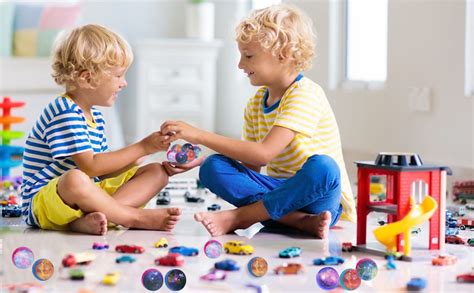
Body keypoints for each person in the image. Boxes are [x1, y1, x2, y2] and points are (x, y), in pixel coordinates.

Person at [160, 4, 356, 239]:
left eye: (249, 56)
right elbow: (251, 166)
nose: (241, 65)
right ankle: (298, 222)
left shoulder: (306, 94)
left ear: (283, 54)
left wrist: (199, 134)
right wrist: (199, 160)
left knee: (324, 168)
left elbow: (263, 154)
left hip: (318, 198)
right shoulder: (255, 104)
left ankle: (241, 217)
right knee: (213, 166)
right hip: (276, 192)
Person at [20, 24, 186, 235]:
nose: (124, 83)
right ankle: (130, 217)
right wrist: (142, 147)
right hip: (44, 202)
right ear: (87, 78)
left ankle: (95, 218)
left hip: (85, 192)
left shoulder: (94, 115)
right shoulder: (64, 110)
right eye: (118, 76)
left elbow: (102, 171)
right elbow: (90, 167)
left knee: (157, 172)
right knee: (74, 179)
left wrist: (135, 159)